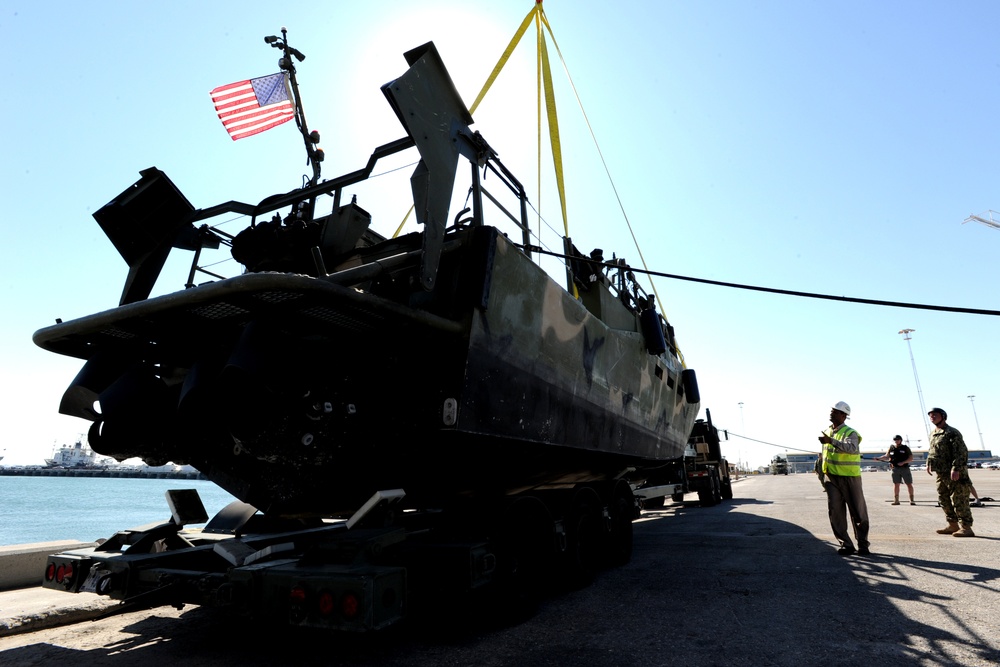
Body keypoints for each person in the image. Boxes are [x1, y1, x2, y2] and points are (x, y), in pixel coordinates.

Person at [818, 401, 870, 556]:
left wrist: (831, 441)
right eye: (831, 411)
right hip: (831, 478)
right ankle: (846, 544)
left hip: (849, 478)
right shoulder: (828, 431)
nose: (831, 413)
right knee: (835, 512)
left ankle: (863, 544)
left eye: (835, 411)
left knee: (858, 513)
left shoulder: (850, 432)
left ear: (843, 415)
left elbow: (851, 448)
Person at [925, 407, 974, 537]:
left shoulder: (952, 432)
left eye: (935, 415)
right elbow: (933, 451)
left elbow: (961, 452)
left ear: (943, 416)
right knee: (944, 499)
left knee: (959, 499)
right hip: (941, 473)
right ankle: (952, 525)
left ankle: (966, 527)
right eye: (930, 415)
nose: (932, 417)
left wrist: (956, 468)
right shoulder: (933, 433)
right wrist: (928, 463)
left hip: (954, 472)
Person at [875, 435, 915, 505]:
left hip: (905, 468)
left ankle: (912, 500)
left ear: (900, 440)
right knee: (896, 484)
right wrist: (878, 458)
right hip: (895, 469)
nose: (896, 441)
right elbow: (886, 456)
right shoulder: (891, 448)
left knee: (909, 484)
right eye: (895, 440)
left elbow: (911, 458)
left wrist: (903, 462)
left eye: (898, 440)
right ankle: (896, 500)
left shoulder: (905, 448)